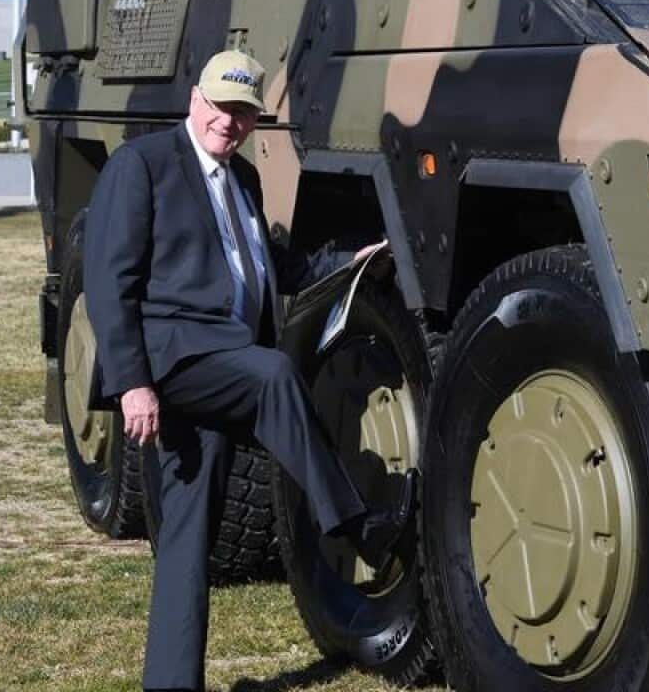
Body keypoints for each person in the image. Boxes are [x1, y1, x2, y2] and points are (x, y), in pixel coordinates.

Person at [82, 49, 413, 692]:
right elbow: (108, 282)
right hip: (174, 363)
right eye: (221, 106)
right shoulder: (141, 166)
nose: (228, 122)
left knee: (186, 542)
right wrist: (133, 384)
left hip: (219, 362)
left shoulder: (243, 182)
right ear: (196, 100)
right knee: (272, 376)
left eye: (243, 113)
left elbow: (276, 272)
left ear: (255, 121)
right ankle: (355, 524)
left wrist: (353, 260)